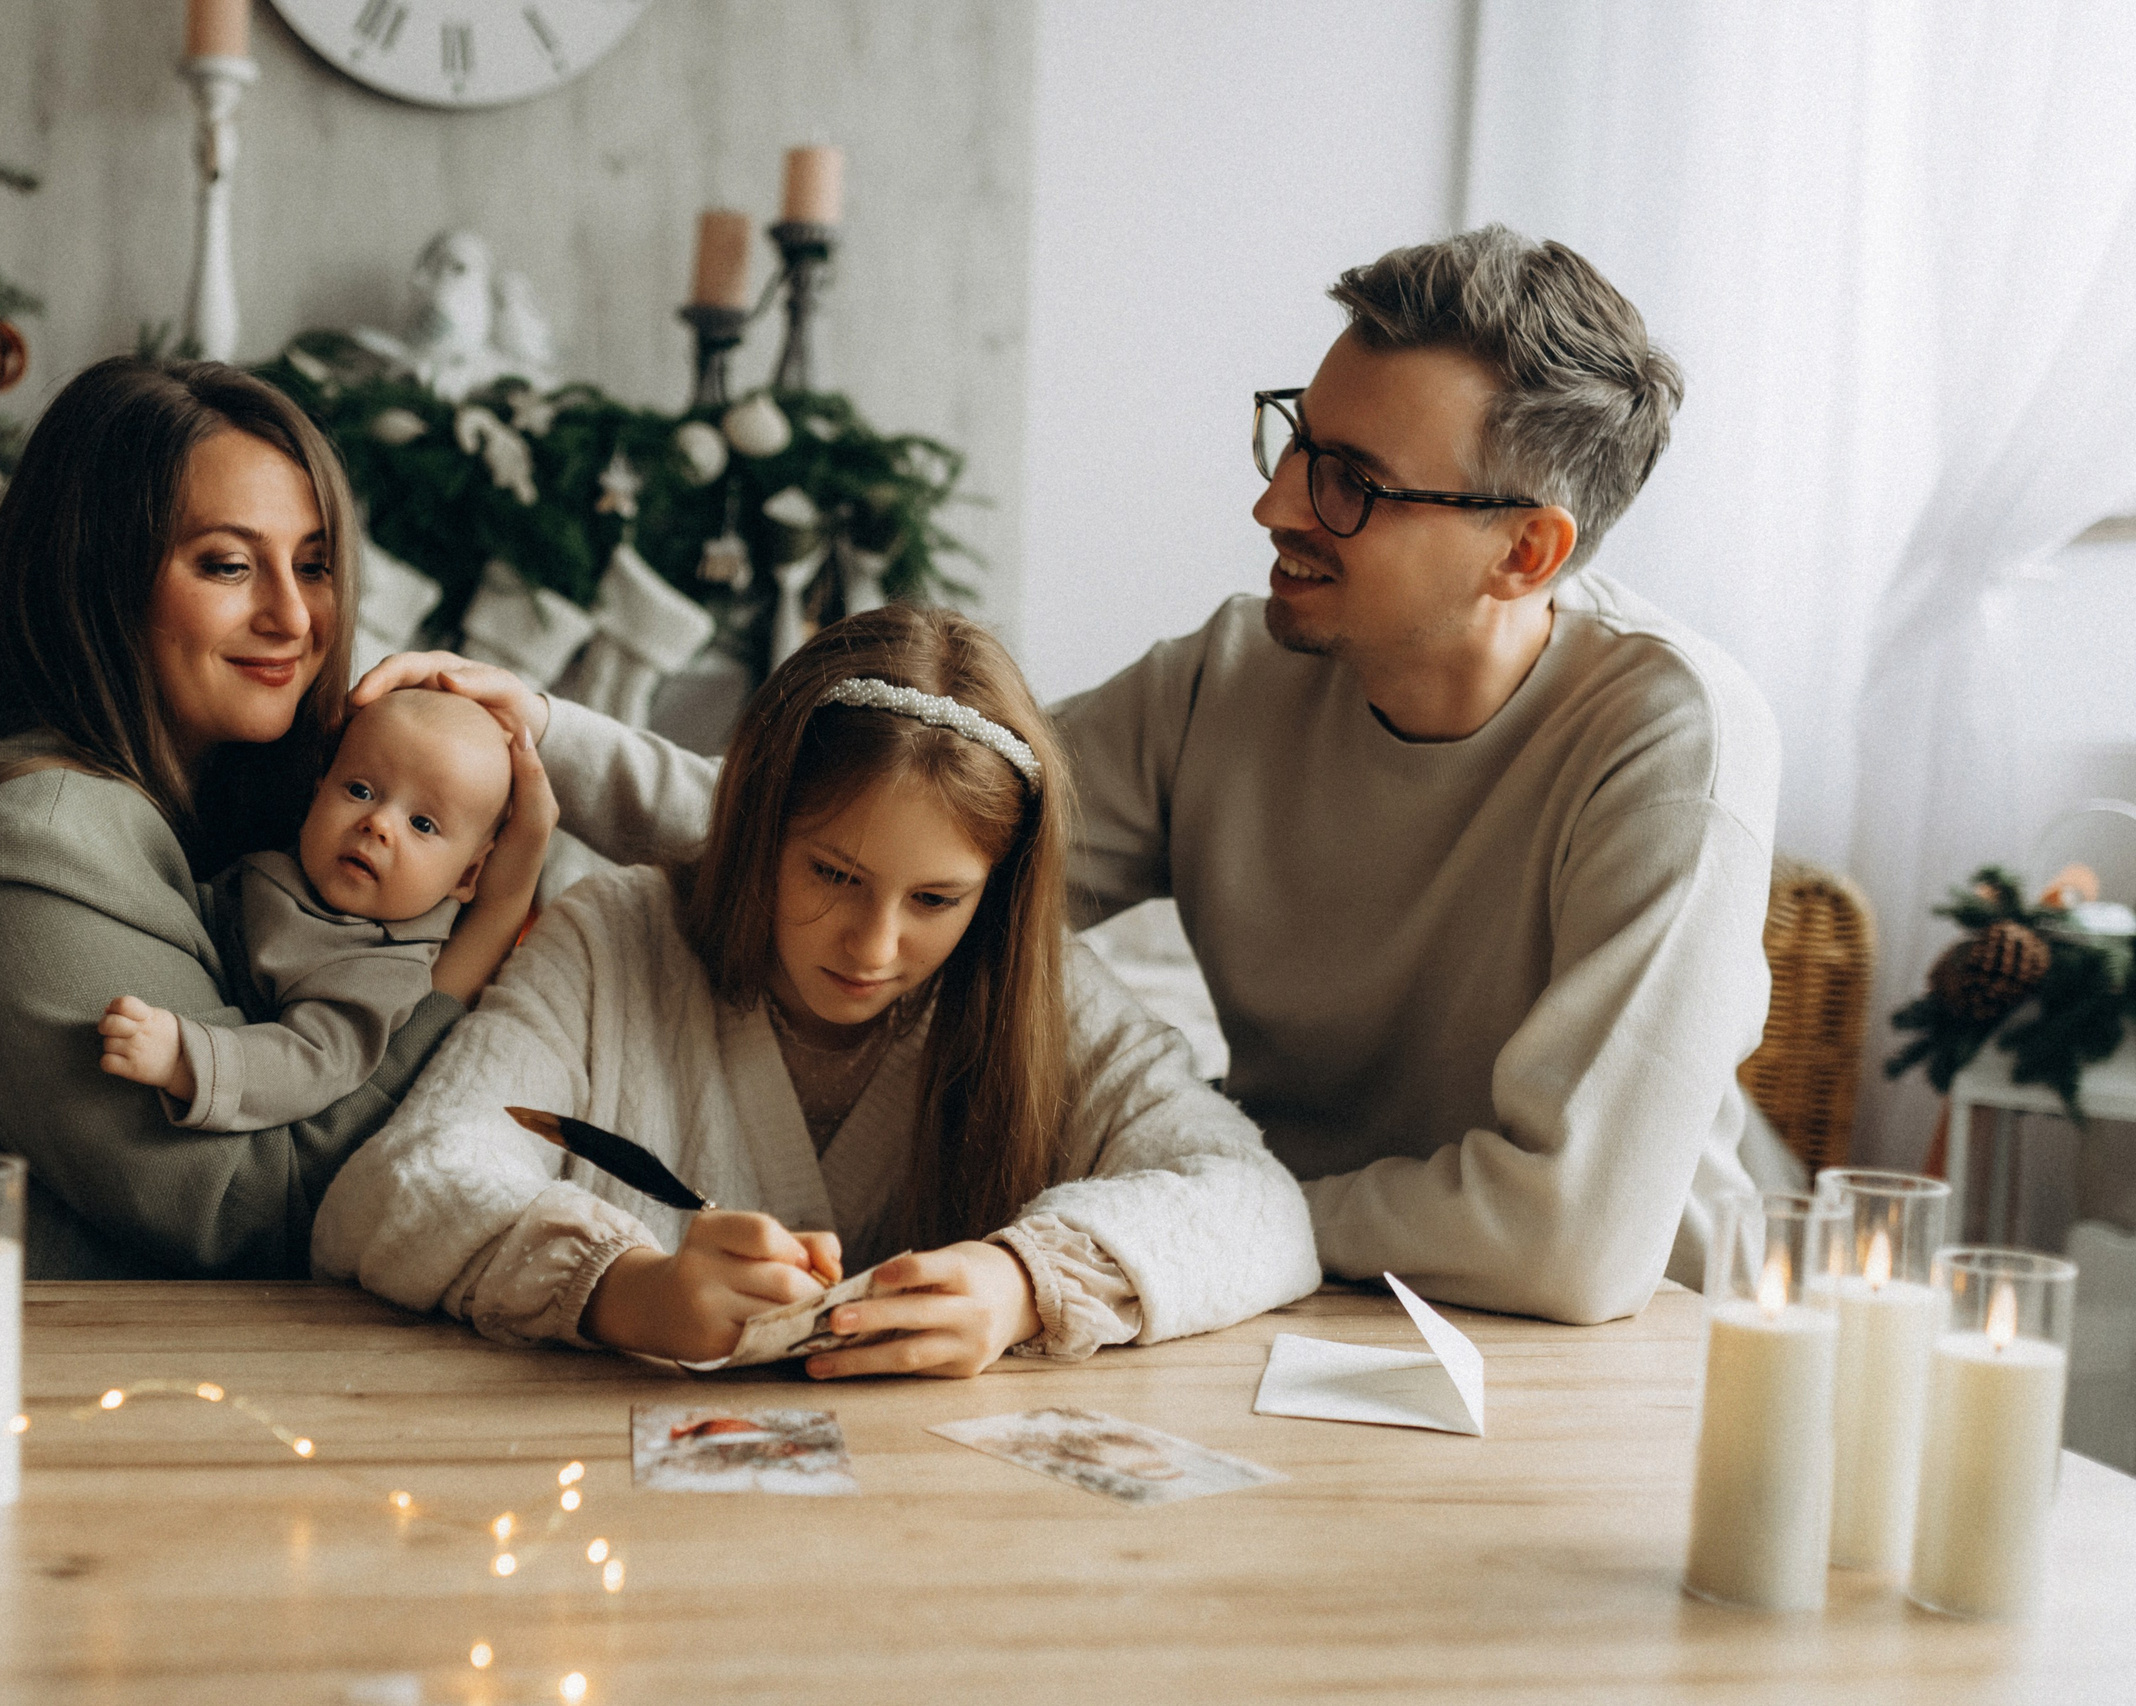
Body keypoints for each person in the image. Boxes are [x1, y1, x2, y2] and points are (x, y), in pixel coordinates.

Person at [403, 226, 1778, 1327]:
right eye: (1298, 437)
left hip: (1602, 1356)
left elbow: (1572, 1245)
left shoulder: (1672, 737)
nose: (1277, 503)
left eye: (1352, 480)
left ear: (1527, 552)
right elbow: (896, 819)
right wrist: (537, 728)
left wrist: (1207, 1216)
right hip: (1263, 1305)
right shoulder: (1229, 676)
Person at [313, 606, 1320, 1374]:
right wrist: (627, 1288)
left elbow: (1258, 1205)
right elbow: (393, 1191)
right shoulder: (613, 935)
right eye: (832, 874)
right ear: (756, 829)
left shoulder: (1039, 989)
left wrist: (1023, 1281)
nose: (872, 945)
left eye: (935, 897)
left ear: (997, 891)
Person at [0, 358, 555, 1280]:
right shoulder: (30, 854)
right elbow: (259, 1209)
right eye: (230, 565)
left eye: (314, 565)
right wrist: (485, 933)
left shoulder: (241, 817)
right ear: (99, 579)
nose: (293, 615)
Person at [97, 687, 527, 1130]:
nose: (377, 823)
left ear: (465, 877)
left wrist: (185, 1059)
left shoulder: (382, 969)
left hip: (206, 1065)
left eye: (422, 824)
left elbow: (311, 1063)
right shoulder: (303, 862)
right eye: (360, 790)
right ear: (318, 794)